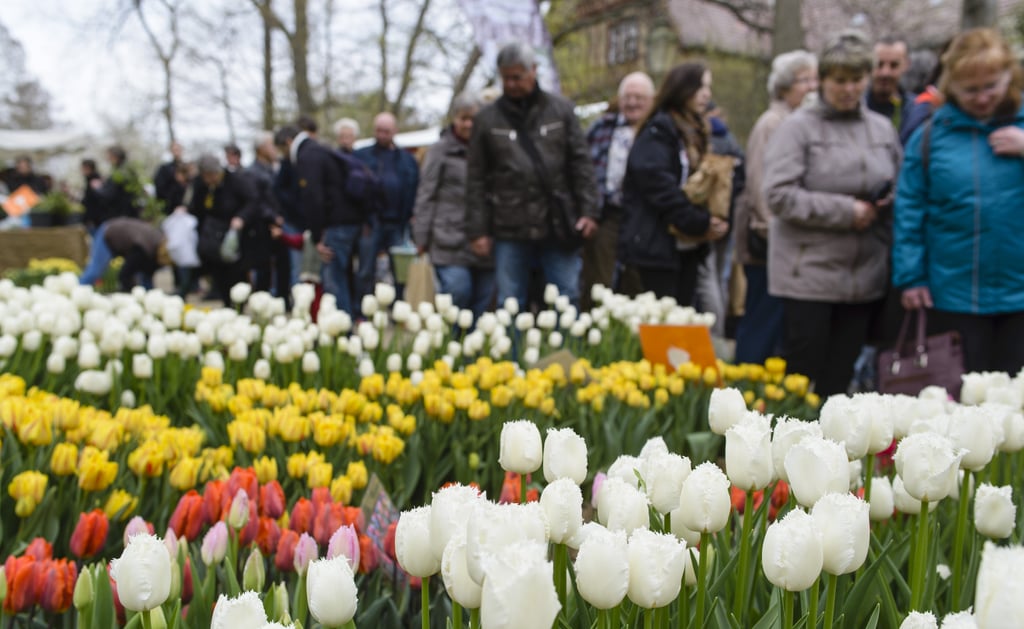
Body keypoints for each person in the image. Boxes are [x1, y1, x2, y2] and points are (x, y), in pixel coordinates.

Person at [762, 30, 902, 397]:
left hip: (863, 276)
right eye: (839, 80)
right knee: (802, 382)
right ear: (823, 80)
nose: (848, 89)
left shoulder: (882, 128)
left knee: (840, 383)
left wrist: (887, 202)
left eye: (856, 80)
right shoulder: (797, 128)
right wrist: (845, 211)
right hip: (809, 275)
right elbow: (778, 195)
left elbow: (902, 182)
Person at [894, 28, 1024, 375]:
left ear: (1009, 76)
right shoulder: (930, 137)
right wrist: (912, 277)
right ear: (952, 85)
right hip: (953, 292)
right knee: (963, 400)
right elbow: (909, 208)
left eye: (991, 86)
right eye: (971, 90)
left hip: (1019, 290)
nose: (982, 98)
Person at [465, 41, 599, 310]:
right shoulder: (487, 119)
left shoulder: (561, 110)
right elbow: (476, 178)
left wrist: (589, 210)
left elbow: (581, 164)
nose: (512, 84)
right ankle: (509, 354)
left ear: (533, 71)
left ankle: (567, 353)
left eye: (517, 77)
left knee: (566, 295)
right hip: (509, 223)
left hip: (557, 220)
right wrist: (478, 230)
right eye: (506, 78)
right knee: (510, 300)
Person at [733, 50, 818, 364]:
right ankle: (744, 387)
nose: (813, 86)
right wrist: (771, 231)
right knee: (762, 319)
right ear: (783, 86)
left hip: (791, 244)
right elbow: (758, 184)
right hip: (767, 243)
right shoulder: (772, 123)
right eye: (804, 80)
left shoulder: (803, 123)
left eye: (815, 79)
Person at [619, 62, 728, 305]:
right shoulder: (658, 132)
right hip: (657, 247)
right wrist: (698, 222)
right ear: (683, 88)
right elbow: (660, 188)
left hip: (687, 247)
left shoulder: (694, 131)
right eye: (700, 86)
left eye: (708, 88)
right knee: (662, 326)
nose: (706, 94)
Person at [412, 91, 495, 318]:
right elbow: (426, 194)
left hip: (486, 240)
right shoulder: (440, 150)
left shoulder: (490, 149)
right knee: (458, 293)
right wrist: (421, 237)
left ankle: (475, 351)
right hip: (448, 240)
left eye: (473, 118)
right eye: (463, 118)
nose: (468, 124)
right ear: (454, 119)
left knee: (484, 303)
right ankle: (452, 344)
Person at [582, 72, 654, 307]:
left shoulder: (659, 130)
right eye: (628, 97)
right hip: (608, 213)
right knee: (599, 283)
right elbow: (583, 170)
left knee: (637, 284)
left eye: (639, 97)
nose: (632, 103)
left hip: (645, 218)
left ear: (651, 100)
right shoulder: (602, 127)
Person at [278, 124, 366, 316]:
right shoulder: (319, 149)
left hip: (337, 224)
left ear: (287, 142)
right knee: (343, 274)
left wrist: (317, 237)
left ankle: (341, 329)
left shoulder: (307, 156)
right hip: (349, 221)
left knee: (334, 278)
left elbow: (313, 197)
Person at [354, 112, 419, 308]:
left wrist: (412, 214)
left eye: (386, 131)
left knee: (400, 270)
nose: (382, 135)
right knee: (365, 269)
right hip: (371, 222)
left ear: (395, 131)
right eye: (379, 130)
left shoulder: (408, 160)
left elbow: (417, 187)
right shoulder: (362, 156)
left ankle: (398, 308)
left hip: (399, 223)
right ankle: (362, 309)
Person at [189, 154, 260, 305]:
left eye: (212, 175)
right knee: (218, 272)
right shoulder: (200, 185)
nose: (210, 179)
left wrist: (241, 217)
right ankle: (226, 301)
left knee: (236, 272)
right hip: (212, 236)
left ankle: (239, 303)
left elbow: (252, 200)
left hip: (235, 234)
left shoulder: (235, 180)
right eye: (206, 176)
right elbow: (196, 208)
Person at [79, 217, 171, 291]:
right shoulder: (144, 249)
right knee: (95, 271)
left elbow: (147, 273)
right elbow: (125, 274)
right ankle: (77, 290)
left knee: (145, 278)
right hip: (108, 234)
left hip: (123, 235)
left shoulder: (157, 244)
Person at [865, 36, 915, 140]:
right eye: (879, 64)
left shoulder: (915, 111)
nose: (885, 73)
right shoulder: (856, 107)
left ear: (906, 65)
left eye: (894, 65)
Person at [95, 145, 141, 222]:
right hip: (128, 213)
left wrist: (98, 188)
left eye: (109, 156)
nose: (108, 159)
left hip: (121, 215)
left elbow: (111, 194)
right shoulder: (127, 170)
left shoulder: (120, 173)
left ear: (115, 157)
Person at [153, 141, 186, 213]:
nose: (176, 152)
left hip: (185, 206)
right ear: (171, 151)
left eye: (178, 149)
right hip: (169, 206)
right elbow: (159, 186)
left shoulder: (187, 167)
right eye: (174, 150)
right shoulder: (164, 168)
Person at [80, 158, 105, 234]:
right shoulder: (90, 180)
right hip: (94, 218)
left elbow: (97, 198)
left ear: (88, 168)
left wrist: (90, 218)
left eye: (83, 168)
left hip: (95, 219)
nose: (82, 170)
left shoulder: (94, 180)